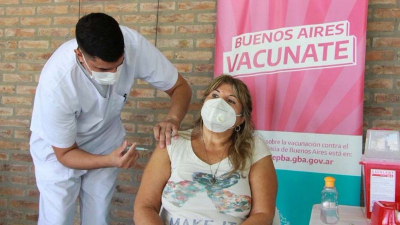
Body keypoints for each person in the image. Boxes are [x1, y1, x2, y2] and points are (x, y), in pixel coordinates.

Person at [29, 13, 192, 225]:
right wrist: (109, 161)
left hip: (105, 140)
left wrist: (173, 119)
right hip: (59, 150)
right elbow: (65, 153)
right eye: (103, 69)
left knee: (98, 217)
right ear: (80, 55)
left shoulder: (133, 44)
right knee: (57, 218)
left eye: (119, 64)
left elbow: (181, 88)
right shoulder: (57, 83)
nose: (114, 74)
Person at [134, 75, 279, 225]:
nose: (219, 103)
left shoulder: (254, 147)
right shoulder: (173, 142)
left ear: (241, 118)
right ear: (204, 104)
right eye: (215, 95)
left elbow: (263, 213)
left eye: (230, 101)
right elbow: (145, 206)